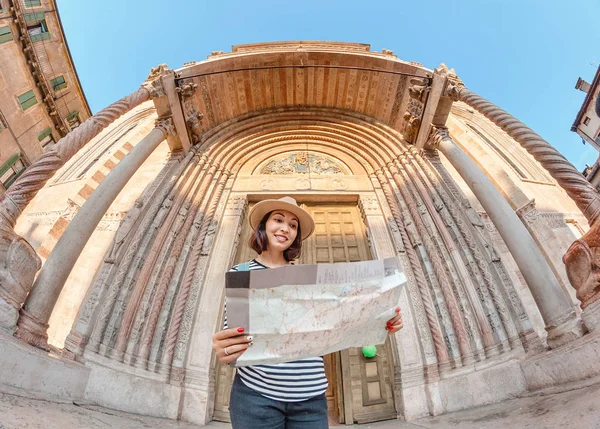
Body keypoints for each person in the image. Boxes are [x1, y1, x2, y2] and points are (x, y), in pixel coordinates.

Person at [212, 196, 404, 429]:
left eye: (293, 225)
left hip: (311, 401)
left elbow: (342, 321)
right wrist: (226, 351)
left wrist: (381, 318)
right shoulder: (241, 273)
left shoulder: (311, 277)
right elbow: (233, 336)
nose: (286, 228)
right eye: (278, 220)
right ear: (263, 226)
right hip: (256, 397)